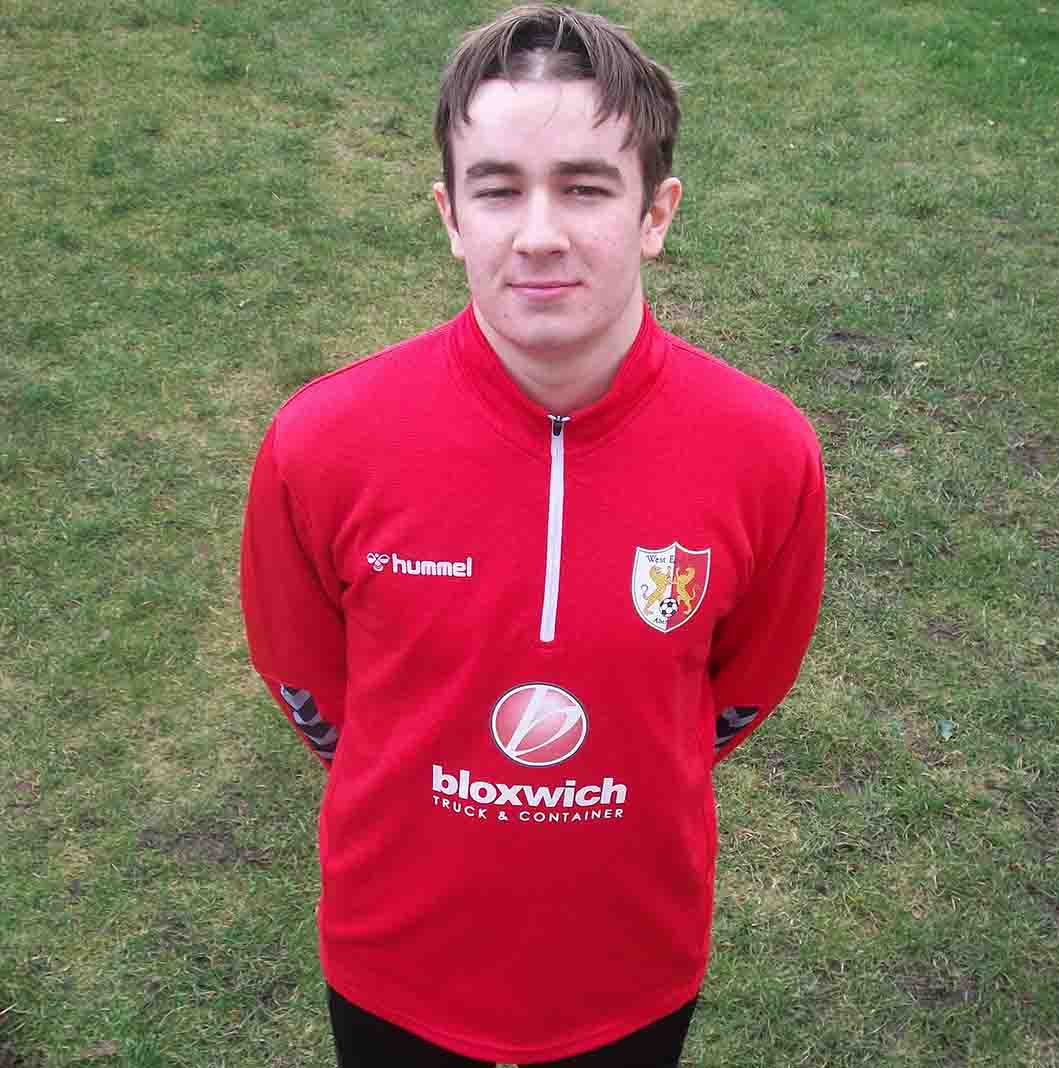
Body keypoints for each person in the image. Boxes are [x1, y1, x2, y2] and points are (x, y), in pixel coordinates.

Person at [240, 5, 825, 1066]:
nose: (539, 232)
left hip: (631, 965)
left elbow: (744, 686)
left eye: (586, 187)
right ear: (450, 214)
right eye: (499, 187)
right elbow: (307, 685)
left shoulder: (767, 451)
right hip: (395, 962)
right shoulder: (320, 443)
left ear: (657, 212)